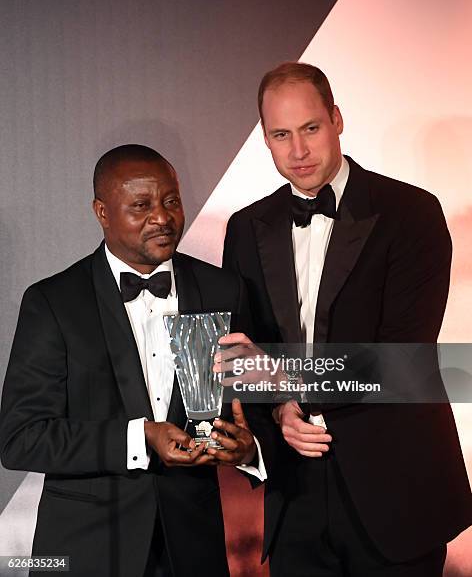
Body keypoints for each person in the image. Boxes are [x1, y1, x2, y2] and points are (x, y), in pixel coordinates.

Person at [220, 62, 472, 576]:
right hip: (296, 494)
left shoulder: (413, 212)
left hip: (395, 484)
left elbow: (400, 358)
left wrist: (287, 385)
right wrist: (279, 410)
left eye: (310, 128)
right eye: (280, 135)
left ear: (336, 118)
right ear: (265, 140)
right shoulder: (246, 228)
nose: (298, 151)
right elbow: (241, 352)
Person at [0, 144, 258, 577]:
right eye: (141, 205)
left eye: (171, 201)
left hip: (193, 550)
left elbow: (253, 403)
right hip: (87, 551)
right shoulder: (53, 302)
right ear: (102, 212)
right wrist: (140, 439)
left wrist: (250, 448)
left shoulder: (223, 290)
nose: (162, 217)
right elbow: (21, 437)